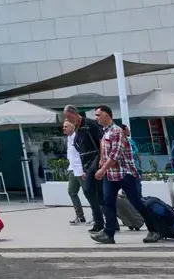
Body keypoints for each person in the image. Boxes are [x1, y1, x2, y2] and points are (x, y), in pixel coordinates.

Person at [90, 106, 154, 245]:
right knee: (108, 203)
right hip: (111, 175)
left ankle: (155, 229)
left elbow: (115, 155)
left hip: (125, 173)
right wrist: (102, 162)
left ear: (107, 115)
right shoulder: (105, 132)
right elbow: (106, 152)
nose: (96, 118)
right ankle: (109, 233)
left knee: (136, 202)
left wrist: (102, 169)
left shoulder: (117, 131)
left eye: (98, 115)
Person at [64, 105, 105, 233]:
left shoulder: (89, 124)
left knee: (91, 191)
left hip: (95, 160)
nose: (68, 120)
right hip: (86, 165)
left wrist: (102, 159)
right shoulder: (77, 129)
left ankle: (100, 222)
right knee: (96, 194)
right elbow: (80, 150)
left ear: (74, 114)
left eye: (69, 117)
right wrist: (82, 169)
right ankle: (105, 222)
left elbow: (102, 140)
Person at [62, 121, 87, 226]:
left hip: (81, 170)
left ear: (72, 127)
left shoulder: (78, 138)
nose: (64, 128)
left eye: (66, 126)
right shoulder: (68, 139)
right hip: (72, 169)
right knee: (72, 192)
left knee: (89, 193)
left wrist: (85, 169)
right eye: (63, 126)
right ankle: (80, 216)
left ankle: (97, 216)